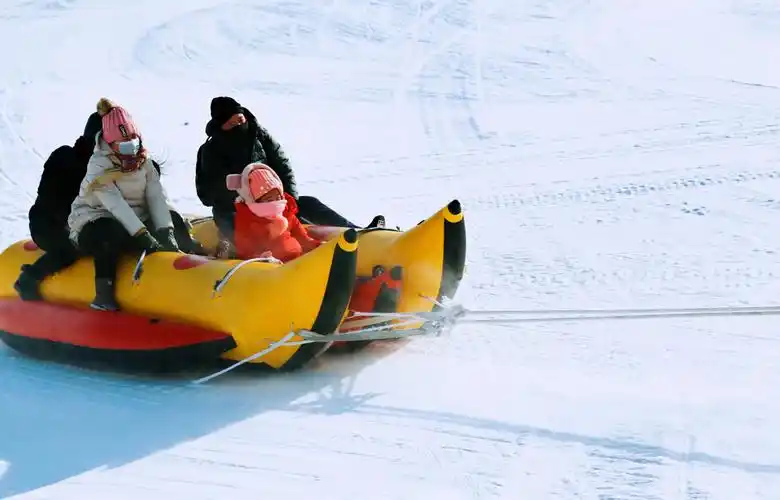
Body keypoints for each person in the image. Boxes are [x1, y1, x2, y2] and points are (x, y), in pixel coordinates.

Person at [195, 96, 384, 253]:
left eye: (241, 119)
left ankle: (362, 235)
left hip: (274, 202)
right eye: (233, 122)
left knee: (308, 203)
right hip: (237, 211)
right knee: (238, 226)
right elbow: (207, 194)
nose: (239, 124)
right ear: (222, 125)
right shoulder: (210, 151)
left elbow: (283, 166)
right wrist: (244, 196)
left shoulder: (258, 135)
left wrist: (288, 201)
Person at [67, 98, 180, 311]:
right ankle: (104, 293)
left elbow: (156, 196)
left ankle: (191, 267)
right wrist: (142, 234)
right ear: (111, 144)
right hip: (95, 217)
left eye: (135, 143)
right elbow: (115, 205)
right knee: (109, 235)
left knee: (174, 220)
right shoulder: (99, 166)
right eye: (126, 145)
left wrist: (166, 230)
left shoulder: (143, 161)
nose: (132, 150)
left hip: (134, 217)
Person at [13, 112, 103, 301]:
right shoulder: (65, 157)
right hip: (47, 225)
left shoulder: (103, 166)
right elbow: (50, 198)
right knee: (70, 249)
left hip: (79, 224)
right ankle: (29, 278)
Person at [226, 162, 323, 262]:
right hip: (273, 267)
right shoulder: (248, 220)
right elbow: (245, 250)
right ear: (254, 200)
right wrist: (260, 257)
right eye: (269, 200)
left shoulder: (287, 212)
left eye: (278, 197)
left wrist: (316, 245)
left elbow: (302, 236)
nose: (276, 202)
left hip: (296, 261)